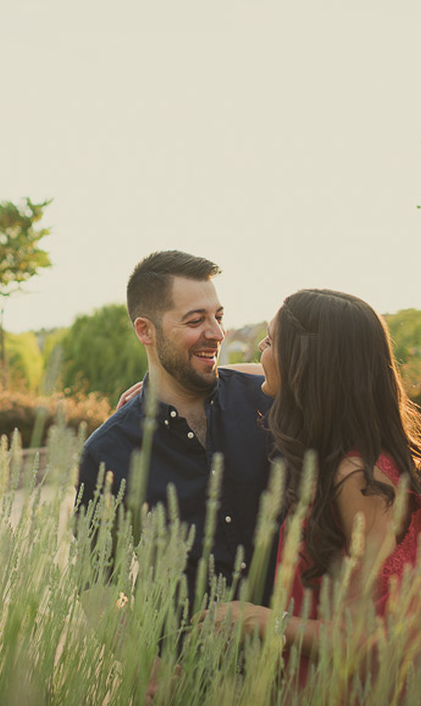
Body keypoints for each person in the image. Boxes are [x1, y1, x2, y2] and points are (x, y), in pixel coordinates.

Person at [196, 288, 421, 689]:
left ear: (307, 366)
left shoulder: (358, 477)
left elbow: (363, 640)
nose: (260, 348)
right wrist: (157, 384)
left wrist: (256, 618)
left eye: (271, 341)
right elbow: (375, 607)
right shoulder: (343, 461)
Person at [76, 250, 278, 606]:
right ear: (145, 330)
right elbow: (98, 586)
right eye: (195, 320)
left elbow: (334, 373)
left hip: (293, 655)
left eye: (218, 316)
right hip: (183, 656)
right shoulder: (108, 452)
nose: (217, 334)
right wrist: (153, 663)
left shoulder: (269, 403)